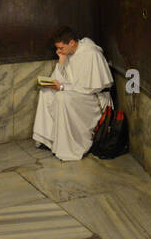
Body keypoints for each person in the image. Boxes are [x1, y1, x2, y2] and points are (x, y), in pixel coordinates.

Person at [32, 27, 114, 161]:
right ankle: (50, 139)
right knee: (46, 92)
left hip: (93, 99)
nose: (58, 51)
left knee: (62, 97)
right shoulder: (68, 54)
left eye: (61, 48)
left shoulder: (91, 54)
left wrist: (63, 87)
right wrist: (61, 61)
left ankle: (68, 147)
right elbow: (58, 80)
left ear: (71, 43)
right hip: (77, 93)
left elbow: (93, 88)